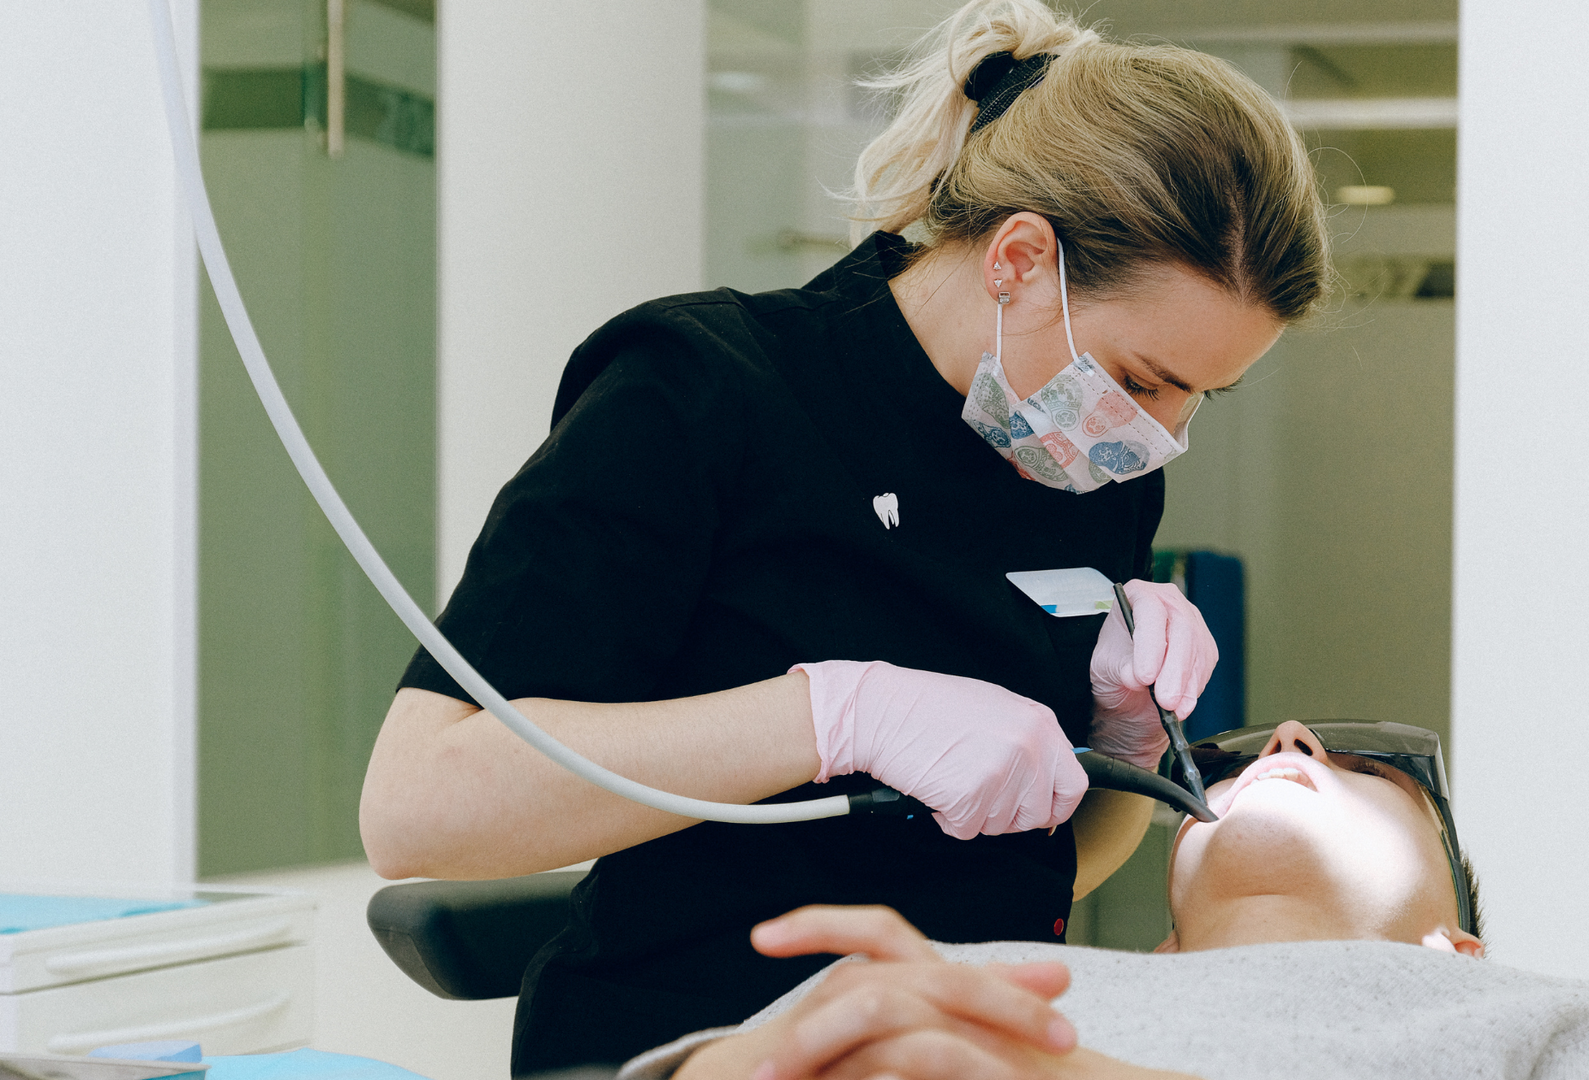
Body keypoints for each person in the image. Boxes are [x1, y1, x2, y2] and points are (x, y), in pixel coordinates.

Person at [357, 0, 1329, 1073]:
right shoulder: (702, 393)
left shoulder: (1089, 463)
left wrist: (1122, 748)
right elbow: (419, 809)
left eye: (1202, 397)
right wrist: (832, 715)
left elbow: (1041, 872)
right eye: (1144, 380)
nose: (1160, 434)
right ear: (1018, 258)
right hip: (695, 1044)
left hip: (962, 1050)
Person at [620, 721, 1589, 1080]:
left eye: (1372, 774)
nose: (1288, 743)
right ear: (1165, 948)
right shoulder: (946, 977)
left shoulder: (1545, 1018)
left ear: (1453, 948)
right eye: (1226, 768)